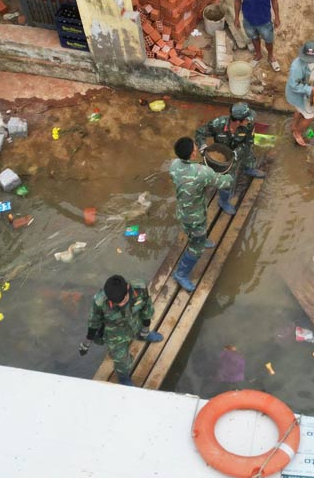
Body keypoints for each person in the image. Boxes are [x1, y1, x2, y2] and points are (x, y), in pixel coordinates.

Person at [169, 137, 234, 291]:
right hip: (195, 217)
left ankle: (200, 239)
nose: (197, 148)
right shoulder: (202, 172)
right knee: (195, 248)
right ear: (192, 154)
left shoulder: (174, 165)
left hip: (183, 211)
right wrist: (231, 174)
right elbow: (225, 182)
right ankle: (181, 273)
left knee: (198, 233)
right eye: (195, 147)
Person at [79, 274, 163, 386]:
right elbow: (94, 322)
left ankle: (143, 335)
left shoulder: (140, 288)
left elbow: (147, 308)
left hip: (135, 323)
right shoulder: (99, 302)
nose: (120, 304)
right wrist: (87, 343)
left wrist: (146, 328)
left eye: (123, 300)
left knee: (142, 331)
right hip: (115, 335)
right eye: (116, 302)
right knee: (122, 361)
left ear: (128, 288)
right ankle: (123, 377)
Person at [195, 102, 266, 215]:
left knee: (249, 158)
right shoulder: (218, 124)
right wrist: (202, 146)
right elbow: (199, 133)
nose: (250, 120)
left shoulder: (249, 125)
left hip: (240, 150)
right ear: (238, 121)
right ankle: (223, 201)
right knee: (228, 181)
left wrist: (237, 153)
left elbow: (248, 143)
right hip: (223, 157)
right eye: (247, 119)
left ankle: (248, 169)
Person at [233, 0, 282, 71]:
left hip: (264, 21)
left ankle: (271, 57)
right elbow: (237, 0)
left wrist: (277, 17)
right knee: (254, 37)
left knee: (268, 40)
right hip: (248, 20)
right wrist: (236, 17)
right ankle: (258, 54)